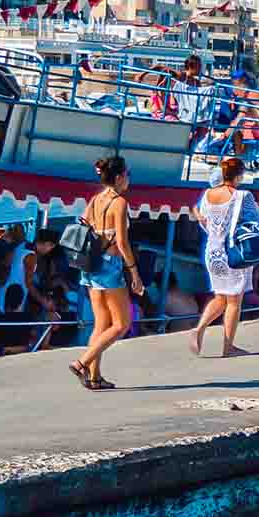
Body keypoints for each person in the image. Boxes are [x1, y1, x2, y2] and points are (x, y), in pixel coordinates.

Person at [72, 155, 144, 390]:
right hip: (110, 265)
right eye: (128, 175)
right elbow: (123, 243)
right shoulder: (119, 203)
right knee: (122, 323)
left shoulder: (95, 200)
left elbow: (84, 224)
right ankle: (82, 363)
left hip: (92, 264)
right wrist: (134, 273)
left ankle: (94, 377)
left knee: (101, 324)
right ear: (121, 176)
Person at [190, 156, 255, 356]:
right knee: (235, 300)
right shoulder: (243, 196)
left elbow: (204, 222)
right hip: (234, 252)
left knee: (220, 297)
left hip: (213, 251)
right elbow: (255, 220)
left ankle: (199, 329)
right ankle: (228, 346)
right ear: (239, 176)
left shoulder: (209, 194)